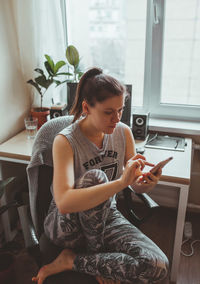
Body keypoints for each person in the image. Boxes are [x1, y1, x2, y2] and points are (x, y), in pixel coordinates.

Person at [32, 67, 169, 284]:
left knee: (158, 265)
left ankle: (73, 261)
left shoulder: (123, 132)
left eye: (120, 110)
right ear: (87, 107)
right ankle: (98, 261)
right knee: (96, 177)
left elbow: (134, 184)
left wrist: (145, 183)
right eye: (108, 112)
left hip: (105, 216)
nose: (116, 119)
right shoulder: (65, 141)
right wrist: (120, 183)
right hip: (67, 224)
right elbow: (64, 202)